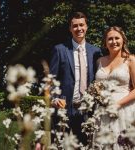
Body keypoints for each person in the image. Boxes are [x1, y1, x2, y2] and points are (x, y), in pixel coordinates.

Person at [50, 11, 102, 145]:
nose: (79, 29)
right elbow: (51, 80)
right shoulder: (60, 49)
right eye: (75, 26)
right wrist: (55, 98)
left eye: (82, 25)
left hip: (87, 111)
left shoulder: (96, 52)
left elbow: (99, 79)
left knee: (85, 146)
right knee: (60, 146)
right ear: (70, 29)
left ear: (86, 27)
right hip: (64, 109)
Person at [95, 26, 135, 149]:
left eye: (117, 38)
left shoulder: (130, 60)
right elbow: (96, 85)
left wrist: (117, 104)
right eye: (110, 39)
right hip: (103, 111)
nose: (114, 42)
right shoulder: (99, 61)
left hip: (123, 110)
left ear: (123, 40)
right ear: (105, 43)